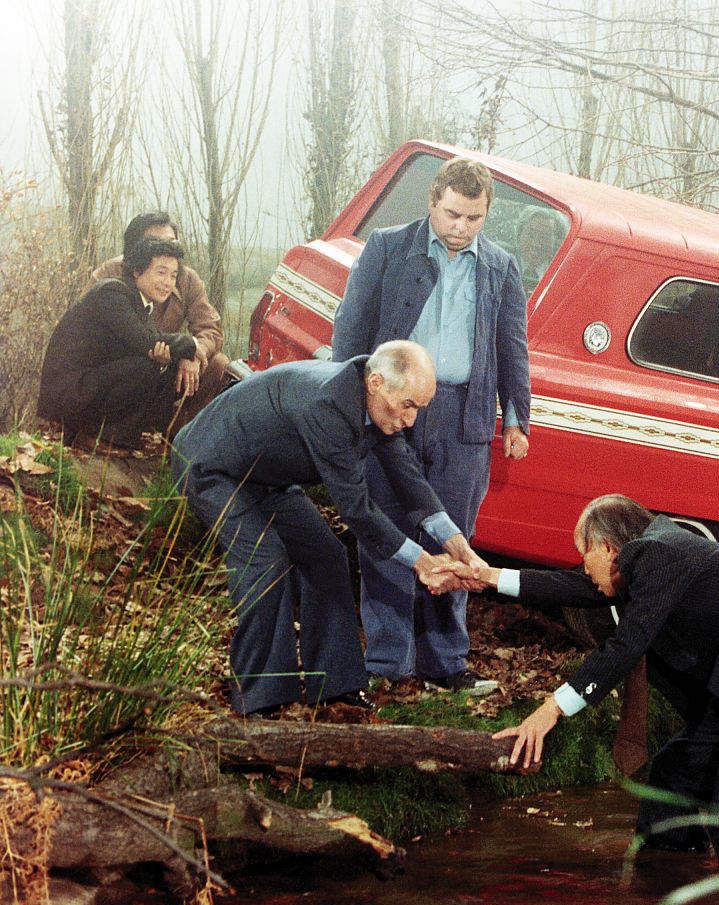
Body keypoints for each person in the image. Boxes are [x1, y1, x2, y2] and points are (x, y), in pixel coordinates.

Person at [446, 494, 719, 895]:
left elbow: (627, 644)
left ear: (608, 548)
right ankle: (665, 880)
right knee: (673, 775)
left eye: (583, 554)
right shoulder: (649, 559)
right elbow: (573, 586)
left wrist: (551, 710)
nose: (584, 567)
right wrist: (487, 577)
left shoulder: (661, 555)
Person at [170, 340, 488, 717]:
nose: (411, 420)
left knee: (327, 556)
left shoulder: (375, 403)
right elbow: (357, 509)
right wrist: (420, 561)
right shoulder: (329, 407)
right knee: (266, 562)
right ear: (375, 382)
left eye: (419, 408)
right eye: (407, 406)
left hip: (264, 476)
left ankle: (336, 686)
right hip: (210, 469)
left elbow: (408, 479)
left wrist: (456, 543)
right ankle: (259, 700)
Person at [331, 157, 531, 695]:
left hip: (465, 416)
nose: (461, 227)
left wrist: (516, 417)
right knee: (387, 530)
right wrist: (350, 404)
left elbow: (513, 346)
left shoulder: (501, 267)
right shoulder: (387, 247)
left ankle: (446, 663)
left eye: (474, 218)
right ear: (432, 201)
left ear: (487, 214)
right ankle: (389, 665)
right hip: (391, 406)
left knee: (454, 537)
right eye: (451, 214)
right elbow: (350, 328)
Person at [38, 237, 197, 449]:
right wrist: (192, 344)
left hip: (90, 385)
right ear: (137, 271)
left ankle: (143, 434)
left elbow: (154, 344)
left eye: (173, 276)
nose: (168, 283)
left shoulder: (142, 306)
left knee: (166, 366)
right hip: (70, 392)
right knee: (145, 366)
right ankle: (97, 437)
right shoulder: (112, 292)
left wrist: (179, 355)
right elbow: (147, 341)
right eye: (161, 272)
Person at [93, 212, 230, 433]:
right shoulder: (109, 274)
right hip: (121, 366)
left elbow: (210, 328)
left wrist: (193, 352)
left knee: (219, 364)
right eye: (155, 244)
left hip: (168, 360)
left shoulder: (187, 279)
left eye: (171, 243)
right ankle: (111, 432)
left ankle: (180, 435)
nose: (165, 250)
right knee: (139, 369)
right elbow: (92, 335)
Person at [514, 206, 565, 295]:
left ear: (556, 243)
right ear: (520, 234)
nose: (535, 244)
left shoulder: (561, 275)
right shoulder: (500, 262)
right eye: (530, 234)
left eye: (544, 237)